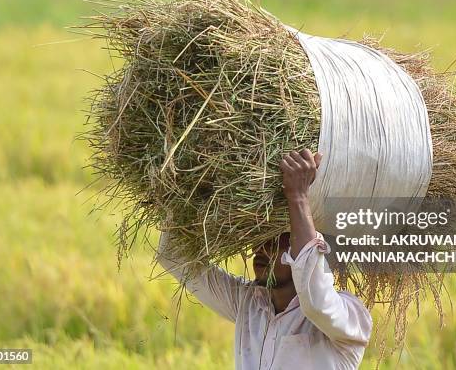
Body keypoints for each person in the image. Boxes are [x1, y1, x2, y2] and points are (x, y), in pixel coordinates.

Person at [156, 149, 372, 369]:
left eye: (274, 240)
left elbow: (315, 299)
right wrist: (180, 181)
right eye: (259, 240)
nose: (260, 249)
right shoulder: (248, 304)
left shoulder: (350, 318)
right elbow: (173, 256)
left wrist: (297, 196)